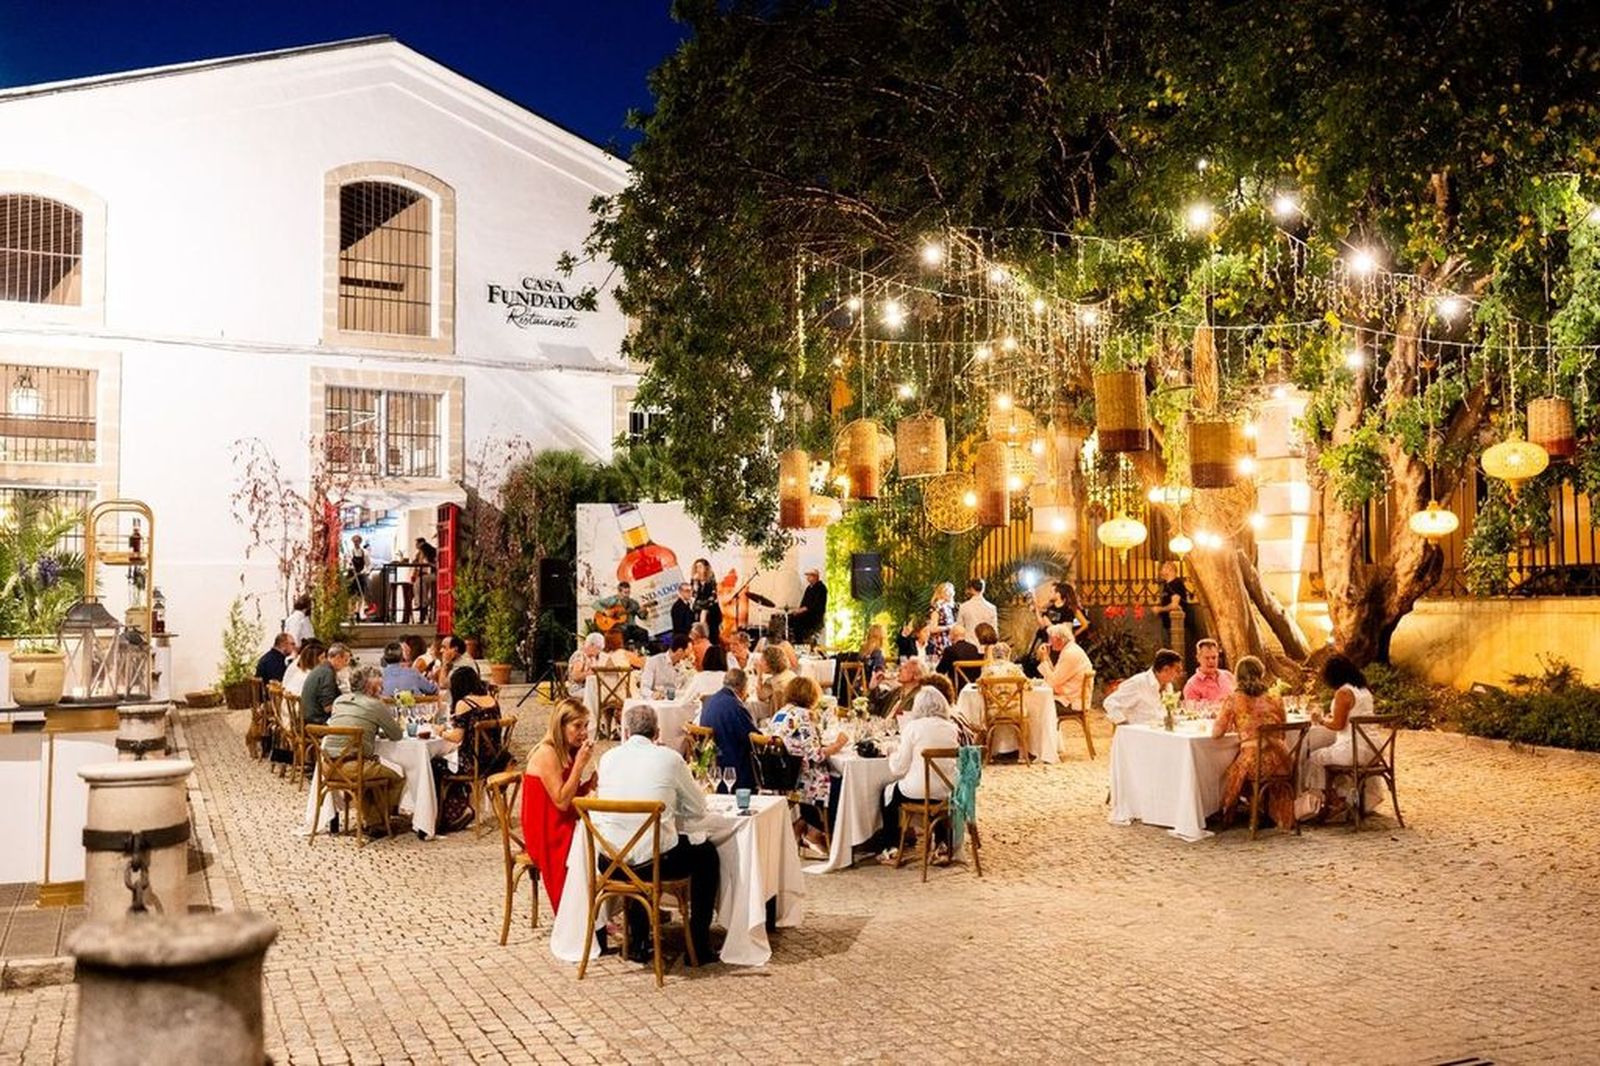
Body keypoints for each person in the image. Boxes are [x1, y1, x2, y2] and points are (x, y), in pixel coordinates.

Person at [593, 704, 719, 965]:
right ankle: (698, 944)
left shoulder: (607, 759)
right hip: (654, 865)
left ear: (625, 732)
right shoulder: (669, 759)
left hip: (609, 862)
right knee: (707, 854)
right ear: (657, 732)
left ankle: (639, 940)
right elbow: (698, 806)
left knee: (637, 847)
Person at [523, 698, 596, 916]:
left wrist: (589, 785)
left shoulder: (568, 749)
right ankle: (582, 914)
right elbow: (562, 801)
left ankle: (597, 910)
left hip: (560, 819)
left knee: (603, 840)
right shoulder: (548, 753)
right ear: (560, 726)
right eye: (577, 726)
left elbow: (570, 793)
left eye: (585, 726)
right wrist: (580, 766)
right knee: (591, 846)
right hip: (546, 828)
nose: (583, 732)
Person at [875, 685, 960, 865]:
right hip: (947, 790)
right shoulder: (951, 728)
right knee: (933, 793)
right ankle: (942, 845)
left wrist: (891, 753)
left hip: (918, 790)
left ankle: (891, 848)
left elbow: (899, 767)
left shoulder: (913, 727)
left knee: (888, 793)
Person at [1211, 656, 1296, 829]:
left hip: (1256, 763)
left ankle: (1239, 814)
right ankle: (1261, 811)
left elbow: (1216, 733)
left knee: (1232, 771)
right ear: (1262, 673)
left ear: (1237, 676)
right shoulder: (1275, 697)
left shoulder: (1235, 699)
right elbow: (1282, 732)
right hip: (1282, 760)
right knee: (1242, 764)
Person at [772, 676, 848, 856]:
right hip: (803, 778)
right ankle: (826, 836)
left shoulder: (781, 713)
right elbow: (817, 754)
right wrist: (838, 744)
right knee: (842, 784)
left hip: (781, 775)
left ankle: (801, 827)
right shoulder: (803, 716)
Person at [321, 665, 403, 830]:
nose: (382, 687)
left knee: (368, 774)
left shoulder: (339, 701)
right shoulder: (375, 705)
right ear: (371, 687)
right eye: (380, 684)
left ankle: (373, 820)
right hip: (354, 767)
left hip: (328, 766)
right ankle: (382, 821)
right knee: (397, 776)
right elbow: (397, 735)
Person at [431, 667, 510, 833]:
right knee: (447, 762)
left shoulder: (464, 703)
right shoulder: (491, 700)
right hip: (494, 761)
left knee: (435, 764)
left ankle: (455, 812)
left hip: (473, 763)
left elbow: (457, 737)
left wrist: (440, 732)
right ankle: (462, 804)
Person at [1305, 654, 1380, 817]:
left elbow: (1338, 725)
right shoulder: (1364, 690)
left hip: (1355, 749)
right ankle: (1348, 799)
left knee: (1314, 758)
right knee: (1331, 755)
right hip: (1375, 749)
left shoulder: (1343, 693)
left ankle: (1335, 801)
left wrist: (1321, 720)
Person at [699, 668, 758, 791]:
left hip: (713, 760)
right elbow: (752, 738)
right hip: (732, 766)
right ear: (741, 687)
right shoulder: (734, 706)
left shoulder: (710, 700)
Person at [1101, 648, 1185, 726]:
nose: (1180, 675)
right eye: (1177, 670)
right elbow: (1110, 702)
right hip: (1139, 735)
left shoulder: (1168, 686)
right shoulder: (1138, 683)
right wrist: (1124, 725)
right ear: (1165, 669)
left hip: (1161, 733)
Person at [301, 642, 351, 726]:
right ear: (338, 658)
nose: (346, 664)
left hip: (309, 718)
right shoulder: (328, 673)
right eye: (345, 660)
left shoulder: (321, 668)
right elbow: (328, 707)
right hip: (317, 722)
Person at [595, 580, 649, 649]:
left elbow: (641, 616)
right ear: (619, 592)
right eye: (625, 593)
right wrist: (605, 611)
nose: (627, 595)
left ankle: (638, 651)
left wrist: (644, 612)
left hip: (632, 628)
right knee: (619, 638)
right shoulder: (612, 600)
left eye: (629, 592)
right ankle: (624, 652)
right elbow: (595, 604)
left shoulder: (633, 603)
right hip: (619, 629)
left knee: (644, 633)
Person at [1155, 561, 1191, 659]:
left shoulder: (1176, 584)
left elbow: (1175, 605)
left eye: (1163, 568)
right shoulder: (1167, 585)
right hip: (1168, 624)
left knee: (1175, 653)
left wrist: (1160, 609)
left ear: (1170, 570)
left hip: (1176, 626)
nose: (1161, 571)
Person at [1183, 638, 1236, 703]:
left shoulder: (1228, 676)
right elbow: (1192, 711)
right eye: (1207, 658)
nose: (1211, 661)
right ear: (1198, 658)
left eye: (1214, 657)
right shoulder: (1192, 685)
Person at [788, 567, 829, 645]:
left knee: (798, 622)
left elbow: (814, 605)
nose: (807, 578)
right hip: (806, 614)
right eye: (807, 576)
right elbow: (804, 603)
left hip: (814, 616)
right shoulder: (809, 588)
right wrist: (798, 611)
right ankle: (793, 642)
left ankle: (800, 644)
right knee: (790, 618)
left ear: (815, 577)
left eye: (810, 576)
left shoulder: (821, 588)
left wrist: (802, 610)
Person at [689, 558, 723, 645]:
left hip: (711, 612)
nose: (698, 569)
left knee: (713, 636)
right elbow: (693, 597)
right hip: (699, 611)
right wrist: (695, 584)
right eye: (696, 567)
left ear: (705, 568)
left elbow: (712, 598)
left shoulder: (711, 579)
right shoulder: (695, 581)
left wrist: (703, 608)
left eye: (700, 566)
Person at [754, 643, 796, 714]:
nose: (760, 663)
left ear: (769, 663)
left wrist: (759, 674)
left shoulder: (771, 682)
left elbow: (760, 697)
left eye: (762, 660)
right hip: (793, 711)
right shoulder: (791, 674)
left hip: (779, 714)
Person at [567, 632, 604, 698]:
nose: (599, 651)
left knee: (604, 693)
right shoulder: (579, 655)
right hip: (577, 689)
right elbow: (576, 677)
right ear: (591, 645)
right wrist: (591, 672)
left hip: (589, 688)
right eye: (598, 648)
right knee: (599, 695)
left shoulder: (591, 657)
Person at [926, 582, 956, 657]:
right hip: (939, 642)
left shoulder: (948, 608)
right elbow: (932, 628)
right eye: (948, 592)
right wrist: (949, 627)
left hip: (948, 641)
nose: (951, 594)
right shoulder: (937, 607)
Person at [413, 537, 438, 623]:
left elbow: (423, 563)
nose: (416, 545)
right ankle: (422, 605)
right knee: (420, 582)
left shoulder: (425, 549)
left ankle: (422, 603)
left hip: (437, 574)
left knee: (419, 582)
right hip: (433, 574)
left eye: (417, 543)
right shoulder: (428, 549)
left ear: (421, 543)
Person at [347, 534, 370, 621]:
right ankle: (351, 613)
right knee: (351, 595)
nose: (356, 543)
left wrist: (363, 571)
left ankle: (359, 612)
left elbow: (368, 565)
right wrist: (350, 567)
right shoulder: (350, 552)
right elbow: (347, 563)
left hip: (361, 575)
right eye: (354, 541)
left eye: (357, 541)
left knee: (361, 595)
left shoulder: (365, 552)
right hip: (352, 575)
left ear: (360, 542)